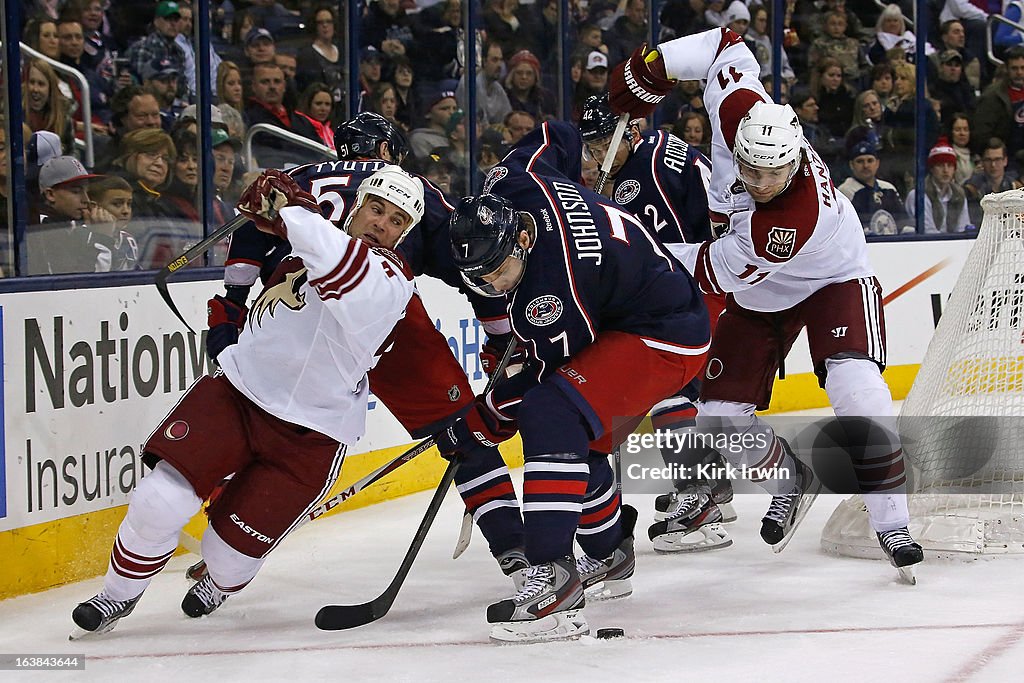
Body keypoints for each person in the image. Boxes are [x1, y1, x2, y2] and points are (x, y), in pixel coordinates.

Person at [606, 27, 924, 579]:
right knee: (718, 417)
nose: (757, 181)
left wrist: (620, 252)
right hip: (763, 291)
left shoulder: (789, 220)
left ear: (796, 159)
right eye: (748, 169)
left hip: (831, 278)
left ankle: (893, 522)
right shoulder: (744, 113)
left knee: (858, 389)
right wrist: (652, 65)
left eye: (773, 172)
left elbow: (708, 270)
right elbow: (725, 44)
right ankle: (789, 479)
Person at [70, 165, 421, 637]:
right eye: (376, 208)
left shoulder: (392, 282)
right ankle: (115, 596)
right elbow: (258, 249)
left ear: (404, 234)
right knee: (160, 500)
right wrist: (269, 214)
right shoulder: (309, 237)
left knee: (228, 556)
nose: (382, 223)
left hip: (311, 434)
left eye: (396, 220)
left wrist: (293, 209)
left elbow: (339, 261)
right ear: (357, 206)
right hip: (238, 393)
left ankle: (220, 581)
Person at [218, 112, 528, 576]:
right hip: (382, 316)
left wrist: (233, 303)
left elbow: (246, 238)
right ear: (386, 153)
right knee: (462, 433)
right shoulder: (408, 188)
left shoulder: (298, 178)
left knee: (261, 431)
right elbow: (471, 264)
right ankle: (513, 548)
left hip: (292, 311)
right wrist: (505, 341)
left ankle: (222, 545)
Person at [441, 118, 712, 642]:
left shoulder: (551, 295)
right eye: (481, 280)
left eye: (498, 272)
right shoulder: (516, 181)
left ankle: (554, 578)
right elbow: (554, 133)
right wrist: (582, 174)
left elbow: (530, 390)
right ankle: (609, 551)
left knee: (551, 414)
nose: (493, 286)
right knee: (570, 443)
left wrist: (479, 423)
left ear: (521, 237)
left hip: (666, 331)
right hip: (626, 308)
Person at [579, 94, 734, 553]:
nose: (596, 151)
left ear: (632, 130)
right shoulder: (629, 167)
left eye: (604, 139)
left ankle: (699, 496)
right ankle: (707, 486)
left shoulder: (664, 162)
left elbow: (717, 216)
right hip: (667, 294)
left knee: (670, 389)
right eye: (590, 143)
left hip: (694, 288)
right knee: (673, 390)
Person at [837, 141, 912, 235]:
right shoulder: (845, 191)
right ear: (851, 165)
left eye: (870, 160)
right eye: (860, 161)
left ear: (877, 163)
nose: (866, 166)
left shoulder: (888, 188)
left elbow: (903, 222)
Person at [905, 138, 973, 233]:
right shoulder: (918, 195)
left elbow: (963, 228)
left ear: (954, 169)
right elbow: (928, 233)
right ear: (932, 169)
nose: (945, 170)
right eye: (940, 165)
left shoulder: (959, 195)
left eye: (949, 165)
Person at [964, 137, 1022, 223]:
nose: (993, 165)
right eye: (988, 160)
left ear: (1005, 161)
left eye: (997, 159)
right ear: (982, 162)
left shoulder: (1016, 188)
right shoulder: (972, 189)